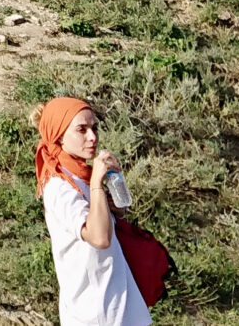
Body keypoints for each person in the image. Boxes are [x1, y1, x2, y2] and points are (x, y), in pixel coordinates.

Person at [36, 96, 149, 326]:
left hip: (123, 308)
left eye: (94, 128)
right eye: (82, 130)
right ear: (59, 135)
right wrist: (97, 182)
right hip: (94, 313)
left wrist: (115, 191)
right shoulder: (58, 187)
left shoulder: (81, 177)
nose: (92, 137)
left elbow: (116, 215)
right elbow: (98, 237)